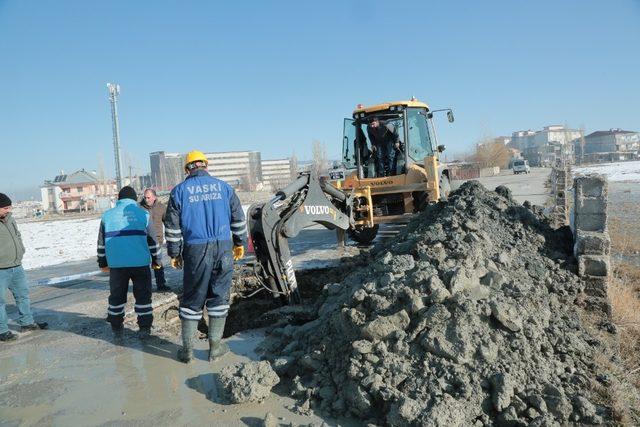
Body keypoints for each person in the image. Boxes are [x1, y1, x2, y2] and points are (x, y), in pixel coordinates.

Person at [164, 150, 247, 363]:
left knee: (193, 298)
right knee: (219, 296)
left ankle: (188, 352)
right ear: (205, 165)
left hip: (195, 249)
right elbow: (238, 218)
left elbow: (172, 227)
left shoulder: (179, 191)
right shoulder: (224, 188)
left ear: (187, 169)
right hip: (223, 247)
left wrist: (174, 253)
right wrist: (239, 243)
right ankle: (215, 348)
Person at [97, 186, 160, 340]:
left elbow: (101, 243)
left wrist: (102, 262)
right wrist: (156, 259)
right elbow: (153, 241)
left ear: (119, 199)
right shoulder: (143, 214)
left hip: (117, 266)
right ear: (133, 199)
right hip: (140, 264)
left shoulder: (107, 216)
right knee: (143, 297)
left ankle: (116, 327)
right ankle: (144, 328)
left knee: (116, 297)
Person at [0, 193, 48, 342]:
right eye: (5, 208)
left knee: (23, 296)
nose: (8, 210)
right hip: (1, 269)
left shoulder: (10, 219)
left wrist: (21, 249)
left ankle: (27, 323)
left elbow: (17, 235)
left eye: (9, 207)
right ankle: (2, 330)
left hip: (16, 266)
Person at [140, 188, 170, 292]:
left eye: (148, 197)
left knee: (157, 263)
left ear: (154, 197)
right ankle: (145, 286)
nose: (146, 199)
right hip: (142, 241)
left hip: (157, 241)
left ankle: (161, 284)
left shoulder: (161, 208)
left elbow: (168, 223)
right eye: (145, 197)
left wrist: (169, 238)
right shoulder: (139, 208)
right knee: (143, 265)